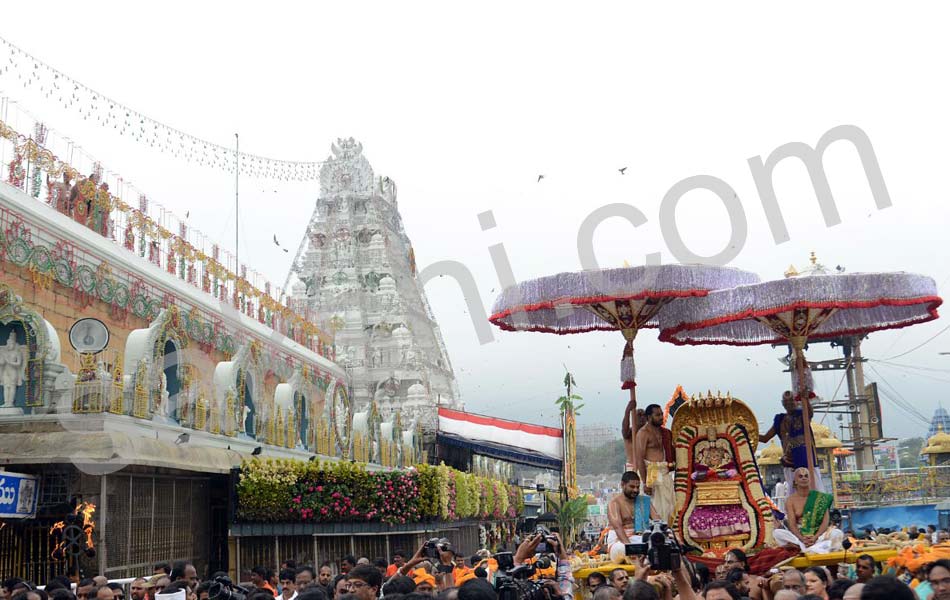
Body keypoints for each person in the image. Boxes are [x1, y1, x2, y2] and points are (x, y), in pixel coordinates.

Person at [760, 391, 824, 492]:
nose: (789, 404)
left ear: (796, 402)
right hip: (790, 462)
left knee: (814, 492)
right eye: (786, 402)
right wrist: (748, 433)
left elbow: (809, 413)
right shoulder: (780, 420)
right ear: (783, 404)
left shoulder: (802, 415)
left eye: (791, 401)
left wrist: (806, 399)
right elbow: (765, 438)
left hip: (807, 461)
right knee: (794, 493)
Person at [773, 468, 832, 550]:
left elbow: (825, 522)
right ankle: (805, 547)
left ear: (810, 479)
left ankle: (806, 548)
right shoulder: (790, 500)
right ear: (795, 481)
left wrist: (815, 537)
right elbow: (792, 525)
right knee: (777, 533)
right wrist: (801, 538)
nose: (804, 478)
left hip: (818, 538)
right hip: (800, 539)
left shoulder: (820, 498)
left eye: (806, 476)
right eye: (800, 476)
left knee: (837, 533)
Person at [635, 404, 675, 523]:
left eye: (661, 414)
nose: (661, 417)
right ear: (649, 417)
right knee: (652, 511)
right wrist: (645, 482)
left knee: (670, 509)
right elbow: (639, 459)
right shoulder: (643, 433)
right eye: (657, 415)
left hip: (665, 473)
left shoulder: (666, 433)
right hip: (650, 476)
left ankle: (668, 535)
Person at [607, 471, 658, 560]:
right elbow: (618, 528)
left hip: (640, 539)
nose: (636, 490)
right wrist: (631, 548)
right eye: (632, 487)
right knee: (622, 549)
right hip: (619, 541)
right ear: (623, 485)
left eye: (638, 487)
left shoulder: (644, 501)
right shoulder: (614, 503)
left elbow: (658, 521)